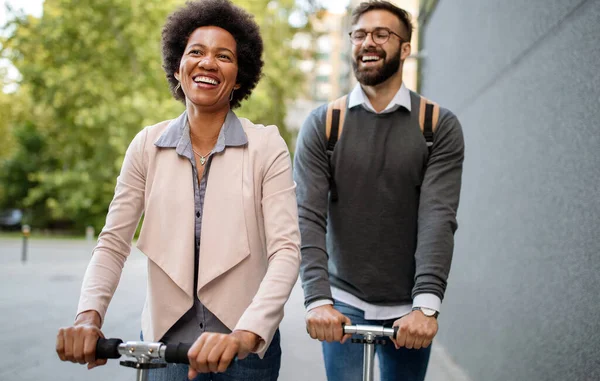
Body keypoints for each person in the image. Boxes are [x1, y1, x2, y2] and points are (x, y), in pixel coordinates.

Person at [55, 1, 301, 380]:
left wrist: (246, 334)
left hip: (245, 353)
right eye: (196, 52)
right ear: (177, 67)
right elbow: (113, 242)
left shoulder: (266, 146)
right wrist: (88, 316)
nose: (207, 63)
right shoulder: (146, 145)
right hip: (163, 349)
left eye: (224, 56)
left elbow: (285, 250)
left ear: (239, 78)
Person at [293, 1, 465, 380]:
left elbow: (438, 216)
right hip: (343, 299)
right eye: (359, 34)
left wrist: (426, 305)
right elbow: (306, 215)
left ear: (405, 48)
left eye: (381, 34)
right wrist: (317, 299)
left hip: (409, 305)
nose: (368, 42)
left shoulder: (436, 126)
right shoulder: (324, 124)